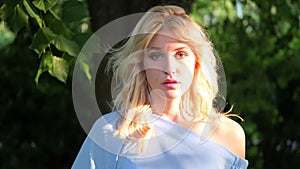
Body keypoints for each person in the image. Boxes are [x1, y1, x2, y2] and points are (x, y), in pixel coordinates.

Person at [72, 5, 248, 169]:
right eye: (155, 56)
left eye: (180, 54)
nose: (169, 69)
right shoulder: (111, 132)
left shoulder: (229, 135)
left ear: (196, 62)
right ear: (141, 64)